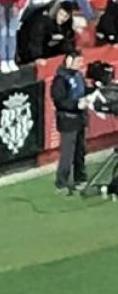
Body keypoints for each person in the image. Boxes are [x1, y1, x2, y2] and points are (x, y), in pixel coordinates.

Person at [50, 52, 89, 194]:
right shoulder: (60, 79)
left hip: (80, 119)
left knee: (80, 151)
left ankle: (80, 178)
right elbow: (59, 100)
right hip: (67, 119)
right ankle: (61, 183)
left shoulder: (78, 76)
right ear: (69, 61)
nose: (80, 64)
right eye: (78, 61)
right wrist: (76, 105)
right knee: (67, 153)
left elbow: (84, 90)